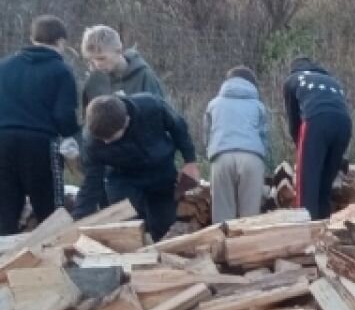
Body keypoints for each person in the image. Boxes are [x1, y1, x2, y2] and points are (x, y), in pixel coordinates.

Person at [74, 25, 168, 219]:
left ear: (118, 51)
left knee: (147, 219)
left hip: (142, 161)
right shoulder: (94, 81)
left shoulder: (144, 75)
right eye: (92, 60)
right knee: (116, 219)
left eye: (101, 58)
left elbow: (160, 118)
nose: (97, 64)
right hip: (108, 163)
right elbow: (89, 122)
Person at [0, 16, 79, 235]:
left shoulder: (4, 66)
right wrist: (72, 136)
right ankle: (54, 259)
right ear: (61, 42)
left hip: (2, 141)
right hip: (40, 143)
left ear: (32, 39)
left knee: (5, 210)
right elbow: (64, 115)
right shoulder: (61, 71)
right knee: (50, 211)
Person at [83, 94, 199, 241]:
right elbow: (91, 181)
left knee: (165, 226)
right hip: (122, 177)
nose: (105, 143)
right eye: (102, 139)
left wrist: (190, 161)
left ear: (126, 121)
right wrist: (79, 218)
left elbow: (179, 128)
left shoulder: (152, 106)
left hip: (160, 171)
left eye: (111, 138)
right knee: (125, 226)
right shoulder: (92, 141)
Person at [283, 57, 352, 220]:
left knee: (307, 183)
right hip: (344, 125)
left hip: (316, 120)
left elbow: (294, 119)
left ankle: (305, 228)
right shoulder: (332, 81)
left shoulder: (293, 80)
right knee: (324, 184)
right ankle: (323, 224)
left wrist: (300, 148)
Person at [205, 67, 270, 223]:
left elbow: (207, 135)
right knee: (250, 218)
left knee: (222, 217)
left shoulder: (214, 104)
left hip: (221, 157)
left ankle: (222, 245)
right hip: (251, 158)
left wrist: (211, 153)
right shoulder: (258, 106)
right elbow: (264, 136)